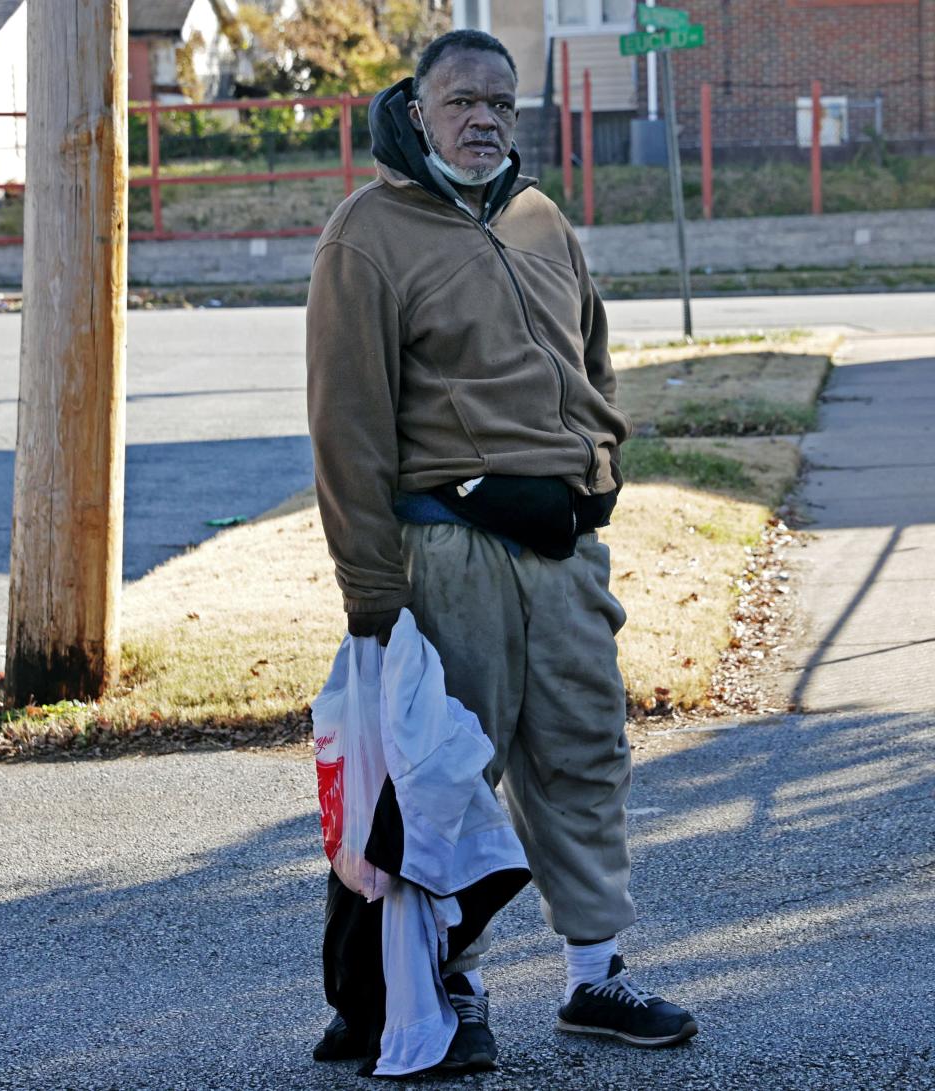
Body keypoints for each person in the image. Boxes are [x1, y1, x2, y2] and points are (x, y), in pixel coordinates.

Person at [306, 28, 697, 1069]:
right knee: (446, 781)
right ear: (418, 110)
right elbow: (346, 426)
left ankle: (594, 977)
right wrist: (371, 590)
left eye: (500, 103)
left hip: (563, 556)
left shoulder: (540, 219)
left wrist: (598, 482)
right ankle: (453, 984)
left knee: (583, 755)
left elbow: (594, 356)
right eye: (462, 101)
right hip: (449, 553)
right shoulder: (368, 236)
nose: (483, 118)